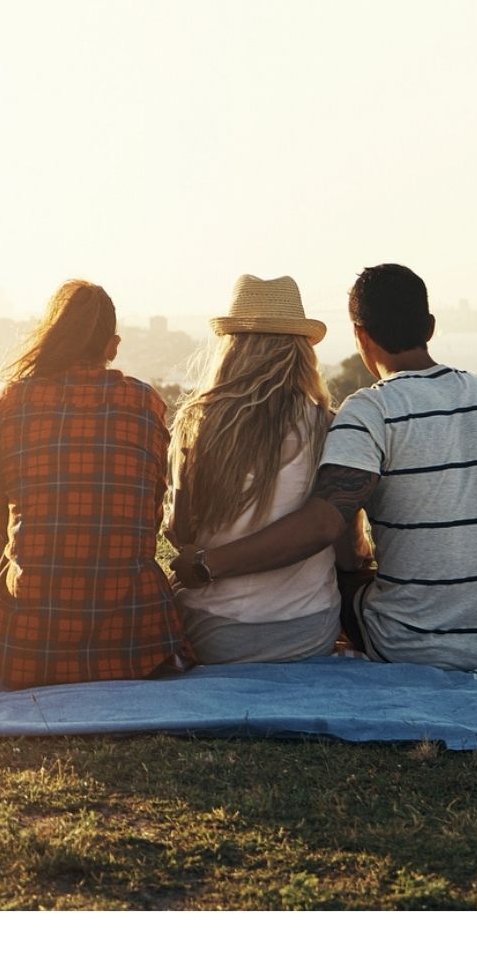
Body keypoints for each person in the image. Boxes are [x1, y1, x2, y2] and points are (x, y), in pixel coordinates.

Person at [170, 264, 477, 670]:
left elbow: (324, 524)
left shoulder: (369, 410)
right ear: (430, 327)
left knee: (352, 581)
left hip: (405, 643)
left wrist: (208, 563)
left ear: (360, 335)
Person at [0, 280, 193, 688]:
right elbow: (150, 511)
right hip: (138, 641)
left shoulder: (10, 403)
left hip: (26, 649)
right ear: (113, 346)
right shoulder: (145, 403)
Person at [166, 275, 340, 664]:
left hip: (215, 632)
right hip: (309, 631)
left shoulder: (195, 422)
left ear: (232, 348)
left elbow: (181, 532)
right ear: (300, 351)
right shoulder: (326, 424)